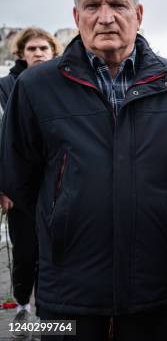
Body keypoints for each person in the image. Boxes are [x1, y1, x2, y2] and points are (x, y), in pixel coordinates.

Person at [0, 0, 167, 340]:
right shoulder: (33, 87)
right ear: (76, 16)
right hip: (64, 293)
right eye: (93, 6)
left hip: (154, 290)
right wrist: (65, 214)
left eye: (118, 5)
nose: (106, 16)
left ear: (139, 14)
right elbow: (19, 178)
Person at [0, 27, 62, 332]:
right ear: (21, 54)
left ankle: (53, 315)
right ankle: (23, 305)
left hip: (58, 185)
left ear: (53, 52)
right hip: (20, 189)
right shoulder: (4, 87)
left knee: (59, 250)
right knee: (25, 251)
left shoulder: (62, 84)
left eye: (43, 49)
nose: (38, 54)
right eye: (32, 49)